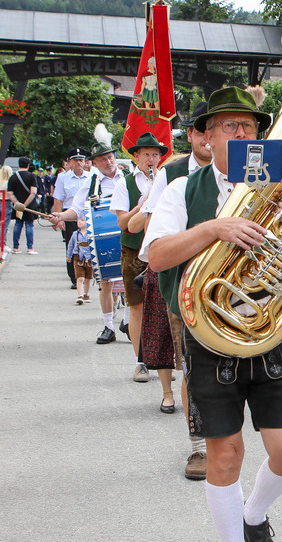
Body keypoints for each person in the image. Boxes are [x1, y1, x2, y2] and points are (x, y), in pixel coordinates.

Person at [142, 86, 282, 542]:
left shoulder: (276, 182)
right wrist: (214, 227)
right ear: (205, 137)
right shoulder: (180, 189)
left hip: (267, 330)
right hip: (209, 336)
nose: (243, 135)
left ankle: (254, 514)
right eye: (231, 127)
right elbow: (155, 256)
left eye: (250, 127)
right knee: (224, 454)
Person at [131, 102, 211, 479]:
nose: (211, 139)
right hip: (185, 287)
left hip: (239, 291)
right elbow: (154, 239)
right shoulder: (173, 174)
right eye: (202, 131)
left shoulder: (252, 171)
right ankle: (198, 448)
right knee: (193, 370)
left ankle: (227, 438)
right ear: (194, 136)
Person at [50, 135, 124, 345]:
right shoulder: (92, 182)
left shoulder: (127, 177)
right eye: (103, 160)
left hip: (129, 236)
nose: (108, 162)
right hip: (103, 241)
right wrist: (61, 216)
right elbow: (76, 208)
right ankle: (109, 326)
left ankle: (127, 322)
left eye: (110, 158)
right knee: (105, 283)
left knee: (131, 284)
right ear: (95, 163)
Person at [111, 132, 167, 383]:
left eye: (155, 154)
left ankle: (163, 359)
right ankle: (141, 361)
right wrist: (142, 203)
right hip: (134, 249)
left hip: (159, 246)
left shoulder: (165, 178)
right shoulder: (125, 182)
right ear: (136, 156)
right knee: (137, 306)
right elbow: (123, 222)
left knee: (164, 306)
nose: (152, 159)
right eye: (146, 154)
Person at [52, 148, 92, 288]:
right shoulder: (63, 178)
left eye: (81, 160)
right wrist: (59, 219)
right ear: (69, 162)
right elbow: (58, 199)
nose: (79, 163)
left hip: (88, 216)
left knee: (91, 245)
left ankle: (90, 275)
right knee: (73, 246)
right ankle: (75, 278)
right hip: (70, 215)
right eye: (76, 160)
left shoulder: (92, 175)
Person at [9, 157, 40, 254]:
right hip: (29, 206)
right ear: (28, 165)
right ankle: (30, 248)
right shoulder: (31, 176)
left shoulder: (13, 177)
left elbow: (10, 193)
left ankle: (15, 247)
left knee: (18, 224)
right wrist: (25, 205)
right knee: (29, 225)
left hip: (17, 206)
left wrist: (17, 204)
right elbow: (33, 192)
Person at [67, 218, 92, 304]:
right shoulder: (75, 234)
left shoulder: (91, 233)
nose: (79, 222)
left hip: (89, 259)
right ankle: (80, 295)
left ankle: (86, 294)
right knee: (80, 277)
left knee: (88, 278)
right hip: (78, 258)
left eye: (82, 220)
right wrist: (69, 256)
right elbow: (70, 245)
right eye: (78, 221)